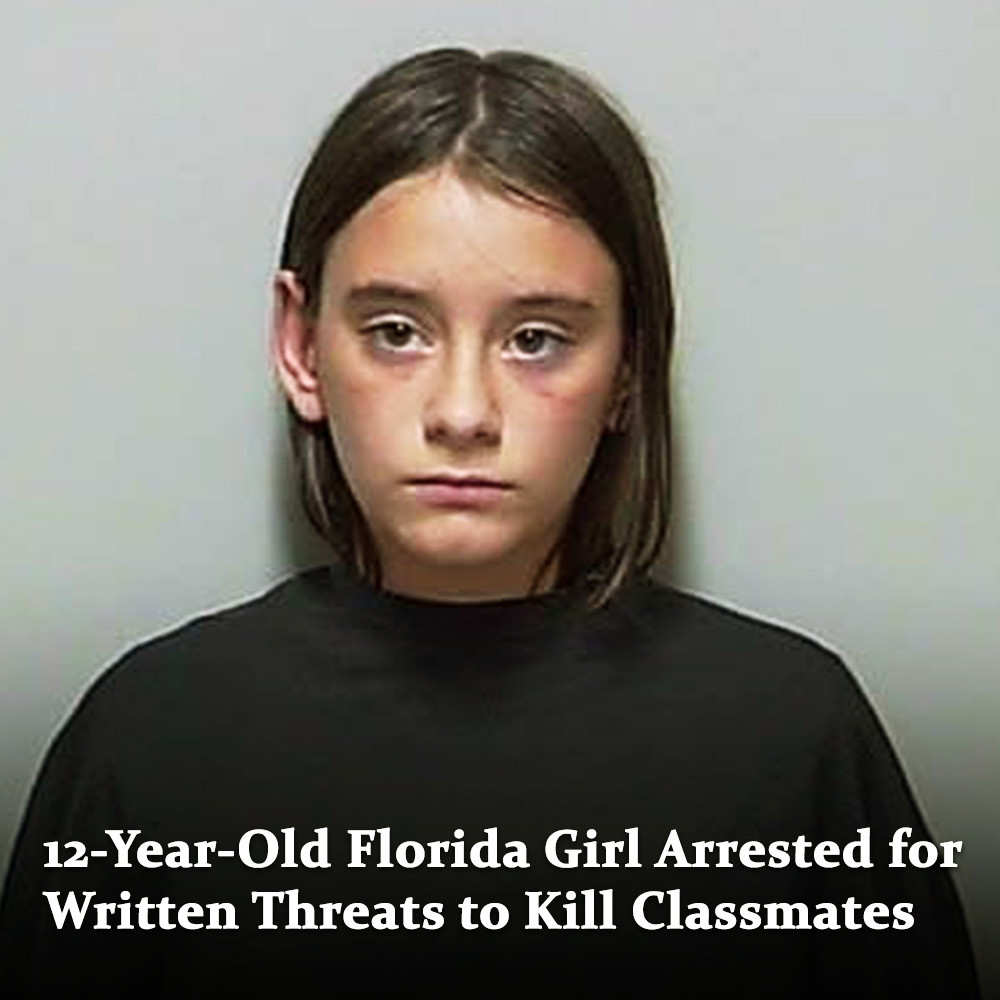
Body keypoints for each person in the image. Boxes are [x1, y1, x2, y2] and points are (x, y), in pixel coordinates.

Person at [0, 48, 980, 996]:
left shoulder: (793, 737)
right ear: (300, 346)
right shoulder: (150, 739)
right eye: (396, 332)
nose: (463, 413)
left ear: (626, 369)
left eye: (537, 339)